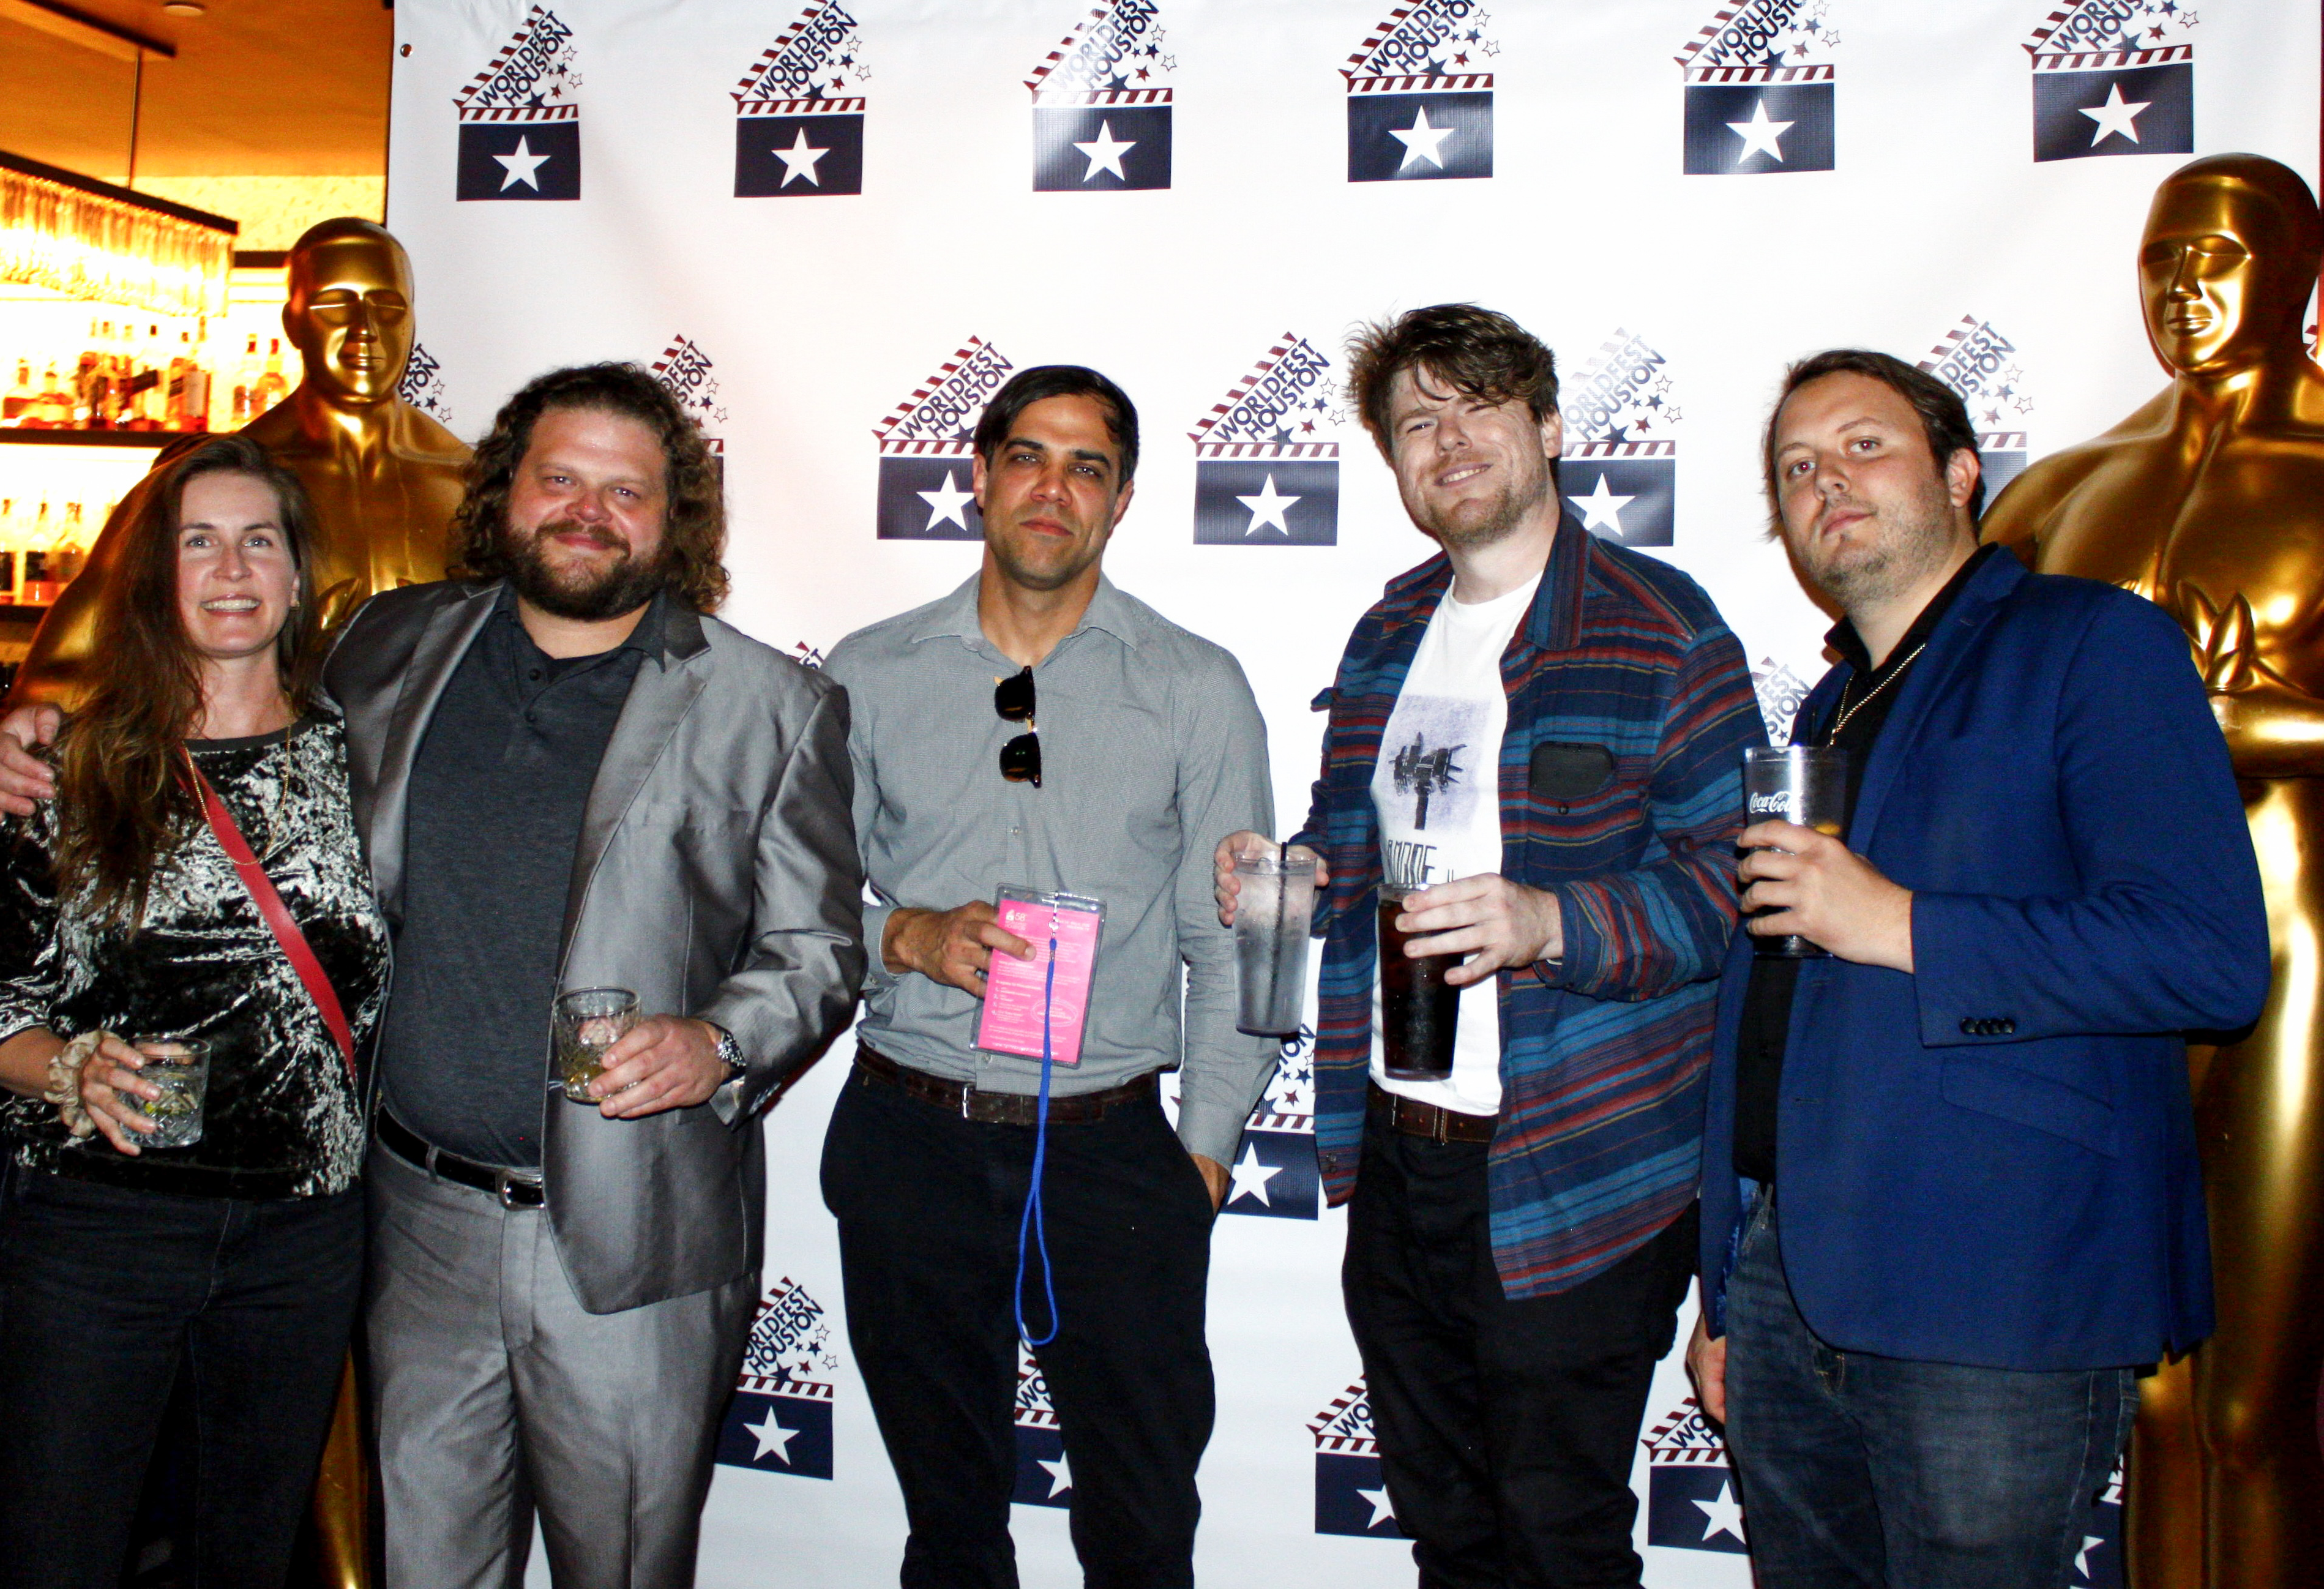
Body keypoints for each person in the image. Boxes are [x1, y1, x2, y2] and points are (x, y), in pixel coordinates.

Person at [0, 363, 866, 1589]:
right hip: (414, 1225)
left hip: (628, 1235)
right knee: (427, 1565)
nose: (588, 510)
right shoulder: (393, 643)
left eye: (627, 489)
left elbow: (819, 951)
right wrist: (43, 725)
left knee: (622, 1567)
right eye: (559, 478)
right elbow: (222, 720)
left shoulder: (774, 704)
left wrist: (718, 1042)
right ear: (505, 492)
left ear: (678, 517)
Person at [1687, 350, 2270, 1586]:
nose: (1824, 480)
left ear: (1962, 473)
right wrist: (1732, 1284)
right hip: (1794, 1282)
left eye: (1862, 445)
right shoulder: (1830, 710)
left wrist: (1904, 922)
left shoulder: (2094, 643)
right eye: (1795, 467)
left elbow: (2208, 959)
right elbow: (1781, 1021)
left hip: (1996, 1282)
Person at [1217, 303, 1762, 1585]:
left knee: (1556, 1534)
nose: (1446, 440)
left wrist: (1549, 920)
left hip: (1577, 1166)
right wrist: (1285, 874)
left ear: (1551, 428)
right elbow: (1347, 847)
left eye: (1475, 407)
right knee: (1448, 1529)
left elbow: (1734, 887)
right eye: (1416, 421)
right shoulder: (1387, 630)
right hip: (1400, 1158)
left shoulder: (1662, 625)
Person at [821, 364, 1273, 1588]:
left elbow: (1243, 937)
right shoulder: (866, 673)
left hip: (1110, 1155)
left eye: (1089, 466)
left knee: (1141, 1520)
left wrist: (1207, 1154)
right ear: (977, 473)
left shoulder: (1196, 686)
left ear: (1121, 499)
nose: (1052, 487)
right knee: (950, 1523)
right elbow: (788, 913)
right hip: (909, 1133)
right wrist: (902, 937)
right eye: (1028, 454)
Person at [0, 435, 385, 1587]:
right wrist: (69, 1067)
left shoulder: (368, 766)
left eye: (258, 540)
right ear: (157, 577)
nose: (231, 567)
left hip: (304, 1233)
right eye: (199, 541)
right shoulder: (72, 764)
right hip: (97, 1229)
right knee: (56, 1552)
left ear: (298, 576)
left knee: (248, 1555)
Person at [1982, 154, 2324, 1588]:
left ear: (2297, 275)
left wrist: (2236, 718)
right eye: (2161, 260)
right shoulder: (2068, 490)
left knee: (2259, 1397)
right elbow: (1954, 707)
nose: (2185, 289)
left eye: (2222, 256)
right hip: (2103, 957)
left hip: (2293, 932)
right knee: (2157, 1386)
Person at [10, 217, 472, 711]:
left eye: (388, 306)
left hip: (445, 779)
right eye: (335, 306)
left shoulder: (477, 481)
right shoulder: (211, 483)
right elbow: (64, 670)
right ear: (293, 323)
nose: (366, 331)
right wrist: (27, 731)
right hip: (260, 775)